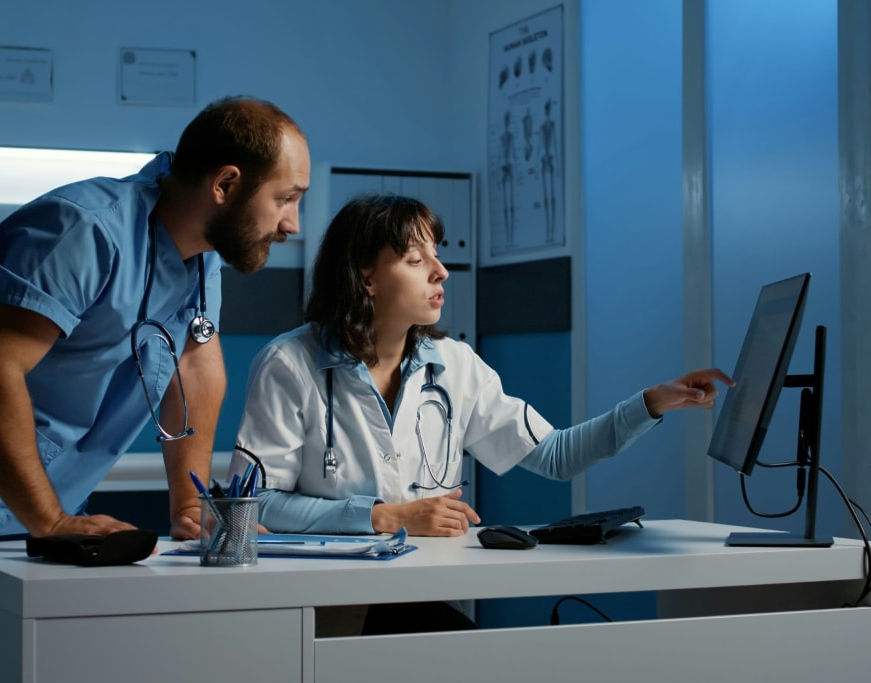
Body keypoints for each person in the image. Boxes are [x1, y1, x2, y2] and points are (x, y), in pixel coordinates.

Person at [0, 95, 310, 682]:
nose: (292, 224)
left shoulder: (199, 258)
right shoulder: (83, 228)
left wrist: (190, 506)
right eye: (287, 198)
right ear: (225, 184)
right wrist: (50, 519)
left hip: (30, 500)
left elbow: (197, 363)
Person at [230, 194, 732, 633]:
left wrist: (652, 403)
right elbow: (252, 504)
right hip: (327, 608)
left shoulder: (454, 365)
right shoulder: (289, 364)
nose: (440, 271)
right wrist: (383, 517)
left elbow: (555, 456)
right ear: (366, 276)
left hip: (424, 595)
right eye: (414, 257)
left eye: (438, 254)